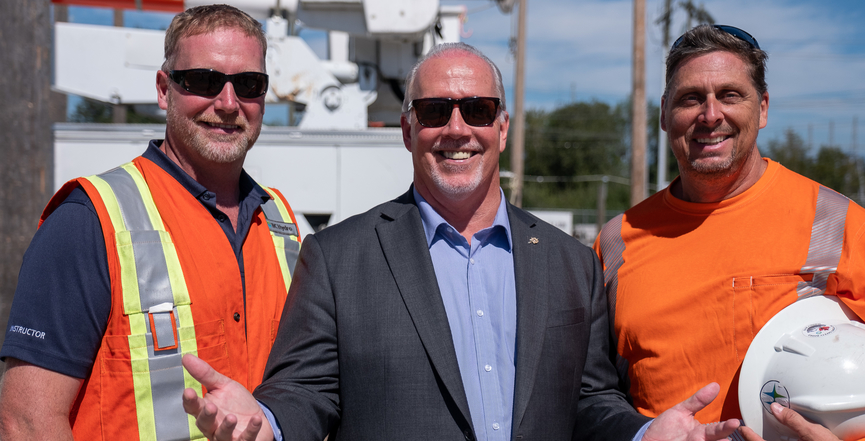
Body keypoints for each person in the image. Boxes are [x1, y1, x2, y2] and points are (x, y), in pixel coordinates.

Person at [179, 42, 741, 441]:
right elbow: (306, 392)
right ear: (407, 130)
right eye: (433, 111)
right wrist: (266, 424)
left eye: (476, 110)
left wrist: (644, 434)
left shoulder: (573, 263)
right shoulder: (337, 258)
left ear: (501, 127)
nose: (456, 129)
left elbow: (591, 402)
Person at [0, 5, 301, 441]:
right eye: (203, 80)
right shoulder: (90, 220)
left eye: (248, 84)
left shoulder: (281, 223)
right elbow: (26, 422)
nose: (228, 103)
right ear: (164, 90)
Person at [594, 24, 865, 441]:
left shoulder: (837, 222)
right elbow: (594, 393)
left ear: (763, 108)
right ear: (665, 113)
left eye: (730, 95)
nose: (710, 115)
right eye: (690, 99)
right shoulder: (615, 242)